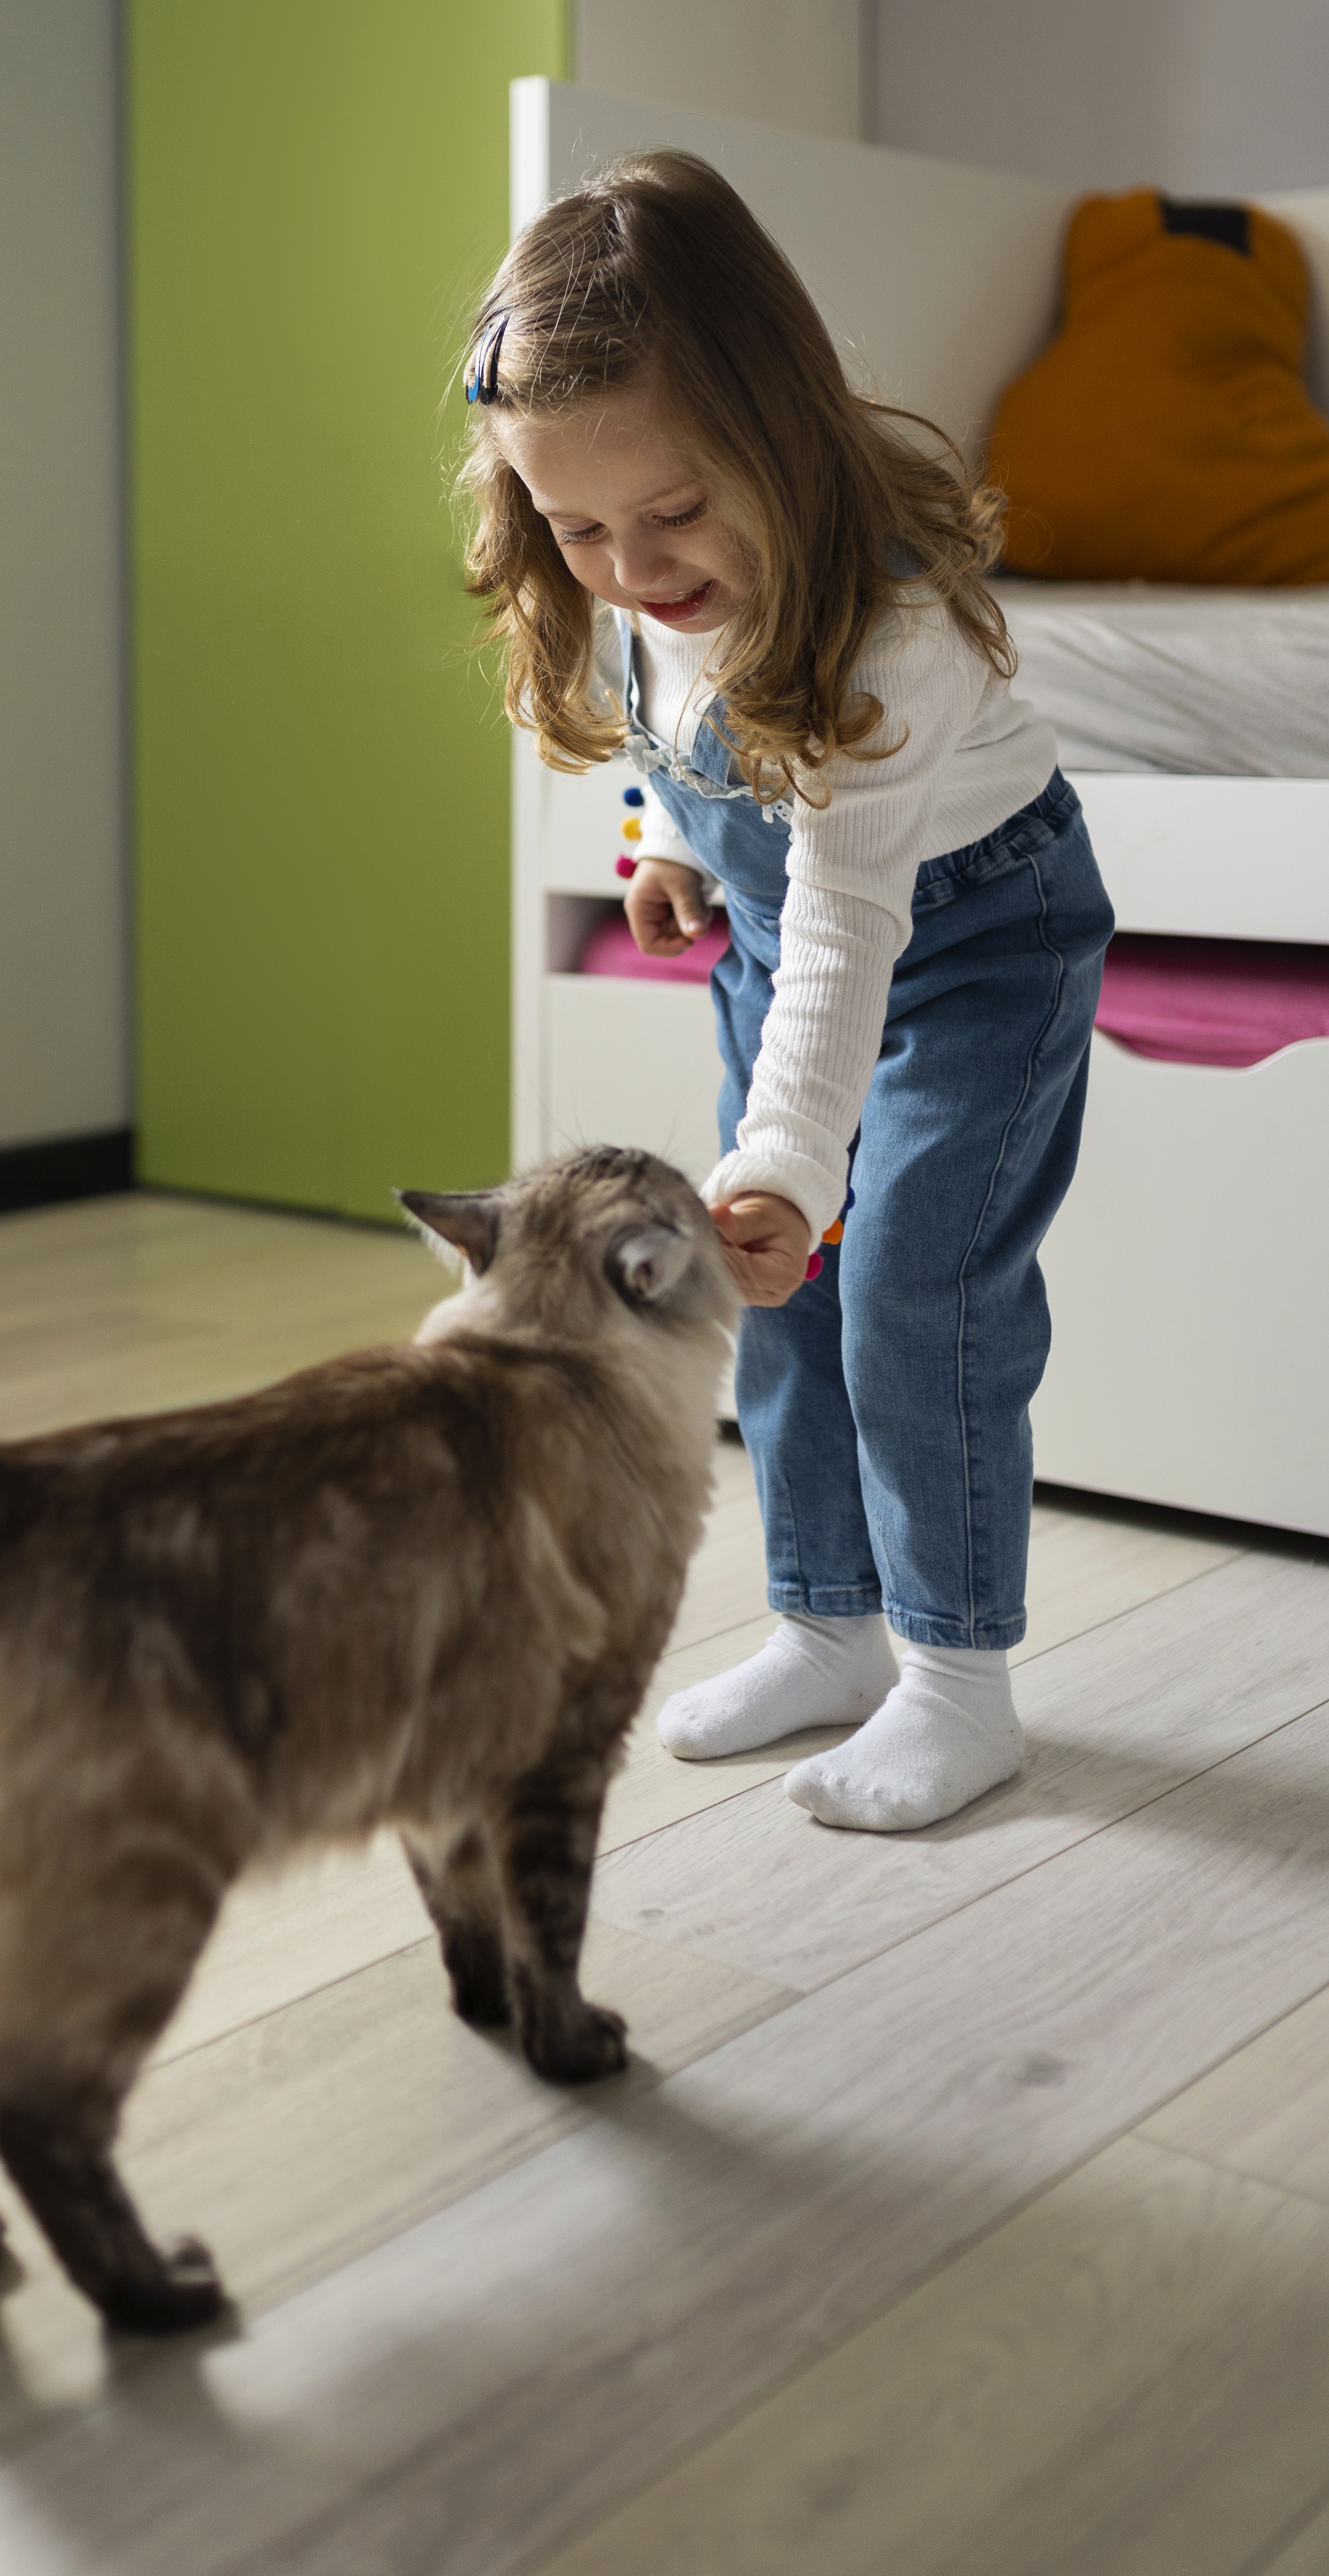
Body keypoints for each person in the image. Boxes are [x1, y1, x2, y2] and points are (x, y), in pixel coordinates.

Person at [460, 149, 1113, 1833]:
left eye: (673, 512)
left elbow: (847, 923)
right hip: (774, 937)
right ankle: (823, 1624)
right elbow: (655, 730)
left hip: (967, 940)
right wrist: (657, 840)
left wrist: (781, 1165)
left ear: (779, 430)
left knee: (905, 1282)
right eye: (574, 522)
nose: (629, 561)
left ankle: (956, 1681)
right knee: (780, 1300)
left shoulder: (892, 631)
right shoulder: (627, 577)